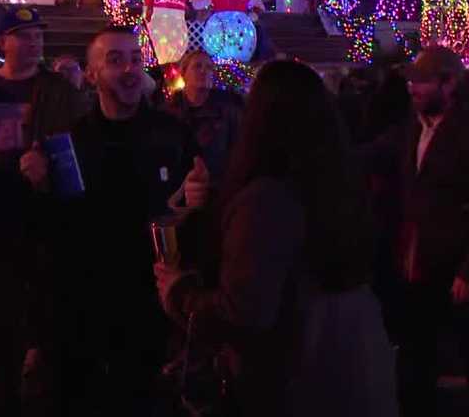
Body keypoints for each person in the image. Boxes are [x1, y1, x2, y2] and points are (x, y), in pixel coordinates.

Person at [154, 61, 397, 416]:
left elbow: (245, 311)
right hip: (354, 347)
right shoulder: (338, 178)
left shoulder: (265, 199)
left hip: (296, 363)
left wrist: (180, 294)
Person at [24, 26, 199, 415]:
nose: (129, 69)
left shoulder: (171, 134)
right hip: (87, 305)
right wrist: (37, 184)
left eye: (135, 59)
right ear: (91, 75)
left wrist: (201, 197)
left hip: (152, 304)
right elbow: (54, 232)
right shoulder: (70, 142)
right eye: (115, 60)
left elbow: (194, 209)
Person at [0, 6, 86, 410]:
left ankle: (41, 374)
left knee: (46, 299)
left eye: (37, 35)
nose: (33, 42)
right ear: (2, 42)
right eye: (23, 35)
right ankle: (5, 381)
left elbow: (77, 143)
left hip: (42, 213)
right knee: (2, 305)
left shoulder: (56, 90)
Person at [371, 47, 469, 416]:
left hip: (457, 260)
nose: (413, 88)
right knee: (418, 350)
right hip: (420, 259)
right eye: (411, 81)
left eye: (422, 81)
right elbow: (379, 159)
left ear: (449, 85)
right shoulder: (413, 126)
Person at [163, 50, 244, 180]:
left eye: (209, 67)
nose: (204, 71)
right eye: (197, 66)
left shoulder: (227, 109)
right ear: (184, 73)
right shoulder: (170, 112)